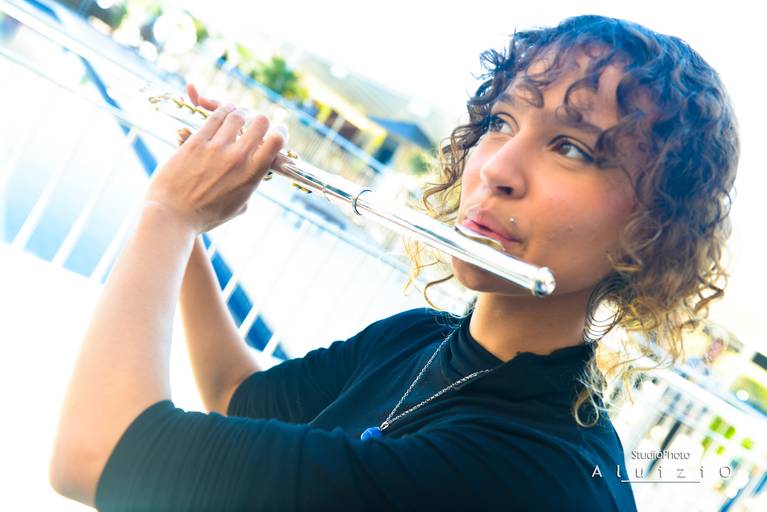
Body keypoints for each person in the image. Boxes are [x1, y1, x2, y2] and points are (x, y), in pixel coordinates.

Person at [49, 14, 738, 511]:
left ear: (652, 234)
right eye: (501, 122)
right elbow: (236, 393)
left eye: (571, 148)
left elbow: (95, 454)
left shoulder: (527, 472)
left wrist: (167, 214)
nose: (496, 169)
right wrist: (191, 210)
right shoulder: (418, 339)